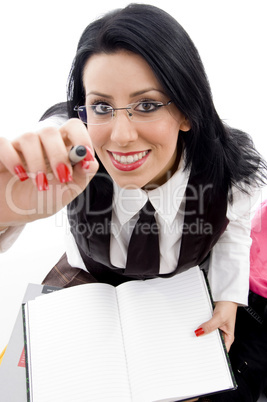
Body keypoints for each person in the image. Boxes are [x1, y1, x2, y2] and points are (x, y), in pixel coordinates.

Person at [0, 4, 266, 401]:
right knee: (20, 384)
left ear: (186, 111)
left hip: (179, 290)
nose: (121, 136)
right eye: (102, 107)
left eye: (147, 105)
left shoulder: (231, 172)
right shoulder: (77, 158)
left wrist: (228, 300)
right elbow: (58, 125)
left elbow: (235, 235)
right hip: (85, 279)